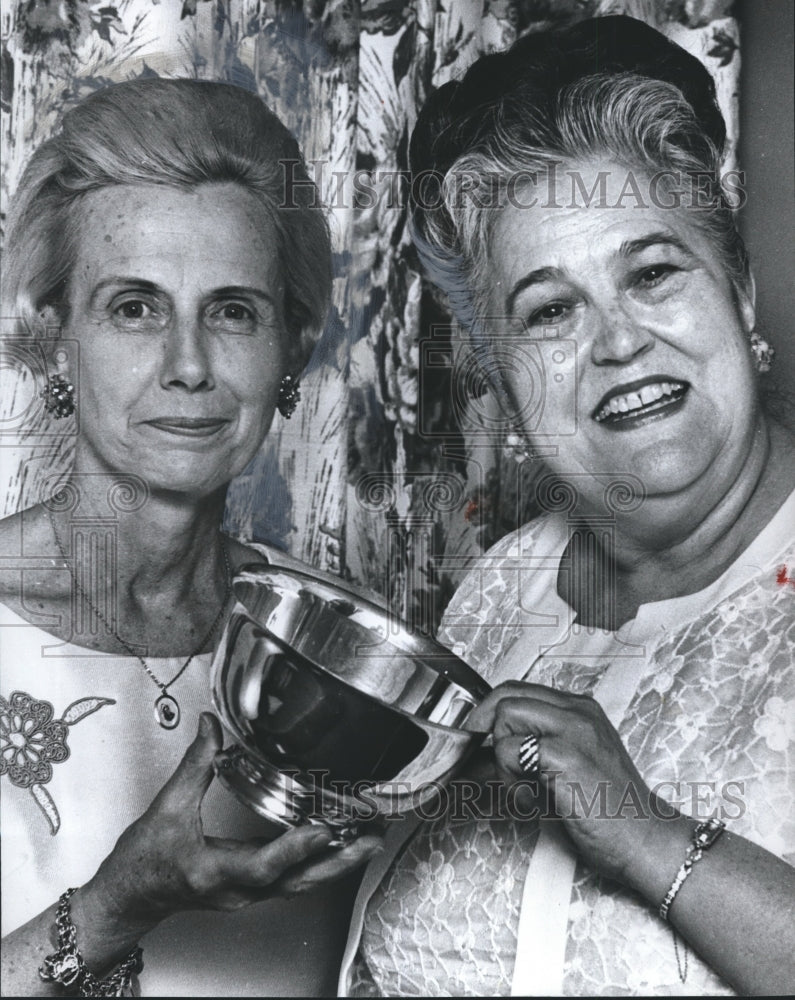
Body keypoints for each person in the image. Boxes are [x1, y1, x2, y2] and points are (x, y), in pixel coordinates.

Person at [339, 16, 795, 997]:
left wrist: (643, 830)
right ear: (503, 383)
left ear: (742, 293)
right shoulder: (501, 595)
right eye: (551, 311)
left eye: (653, 273)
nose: (617, 342)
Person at [0, 78, 382, 997]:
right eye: (134, 307)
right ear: (55, 340)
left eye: (233, 310)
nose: (188, 366)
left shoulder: (336, 650)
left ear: (291, 346)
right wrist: (114, 907)